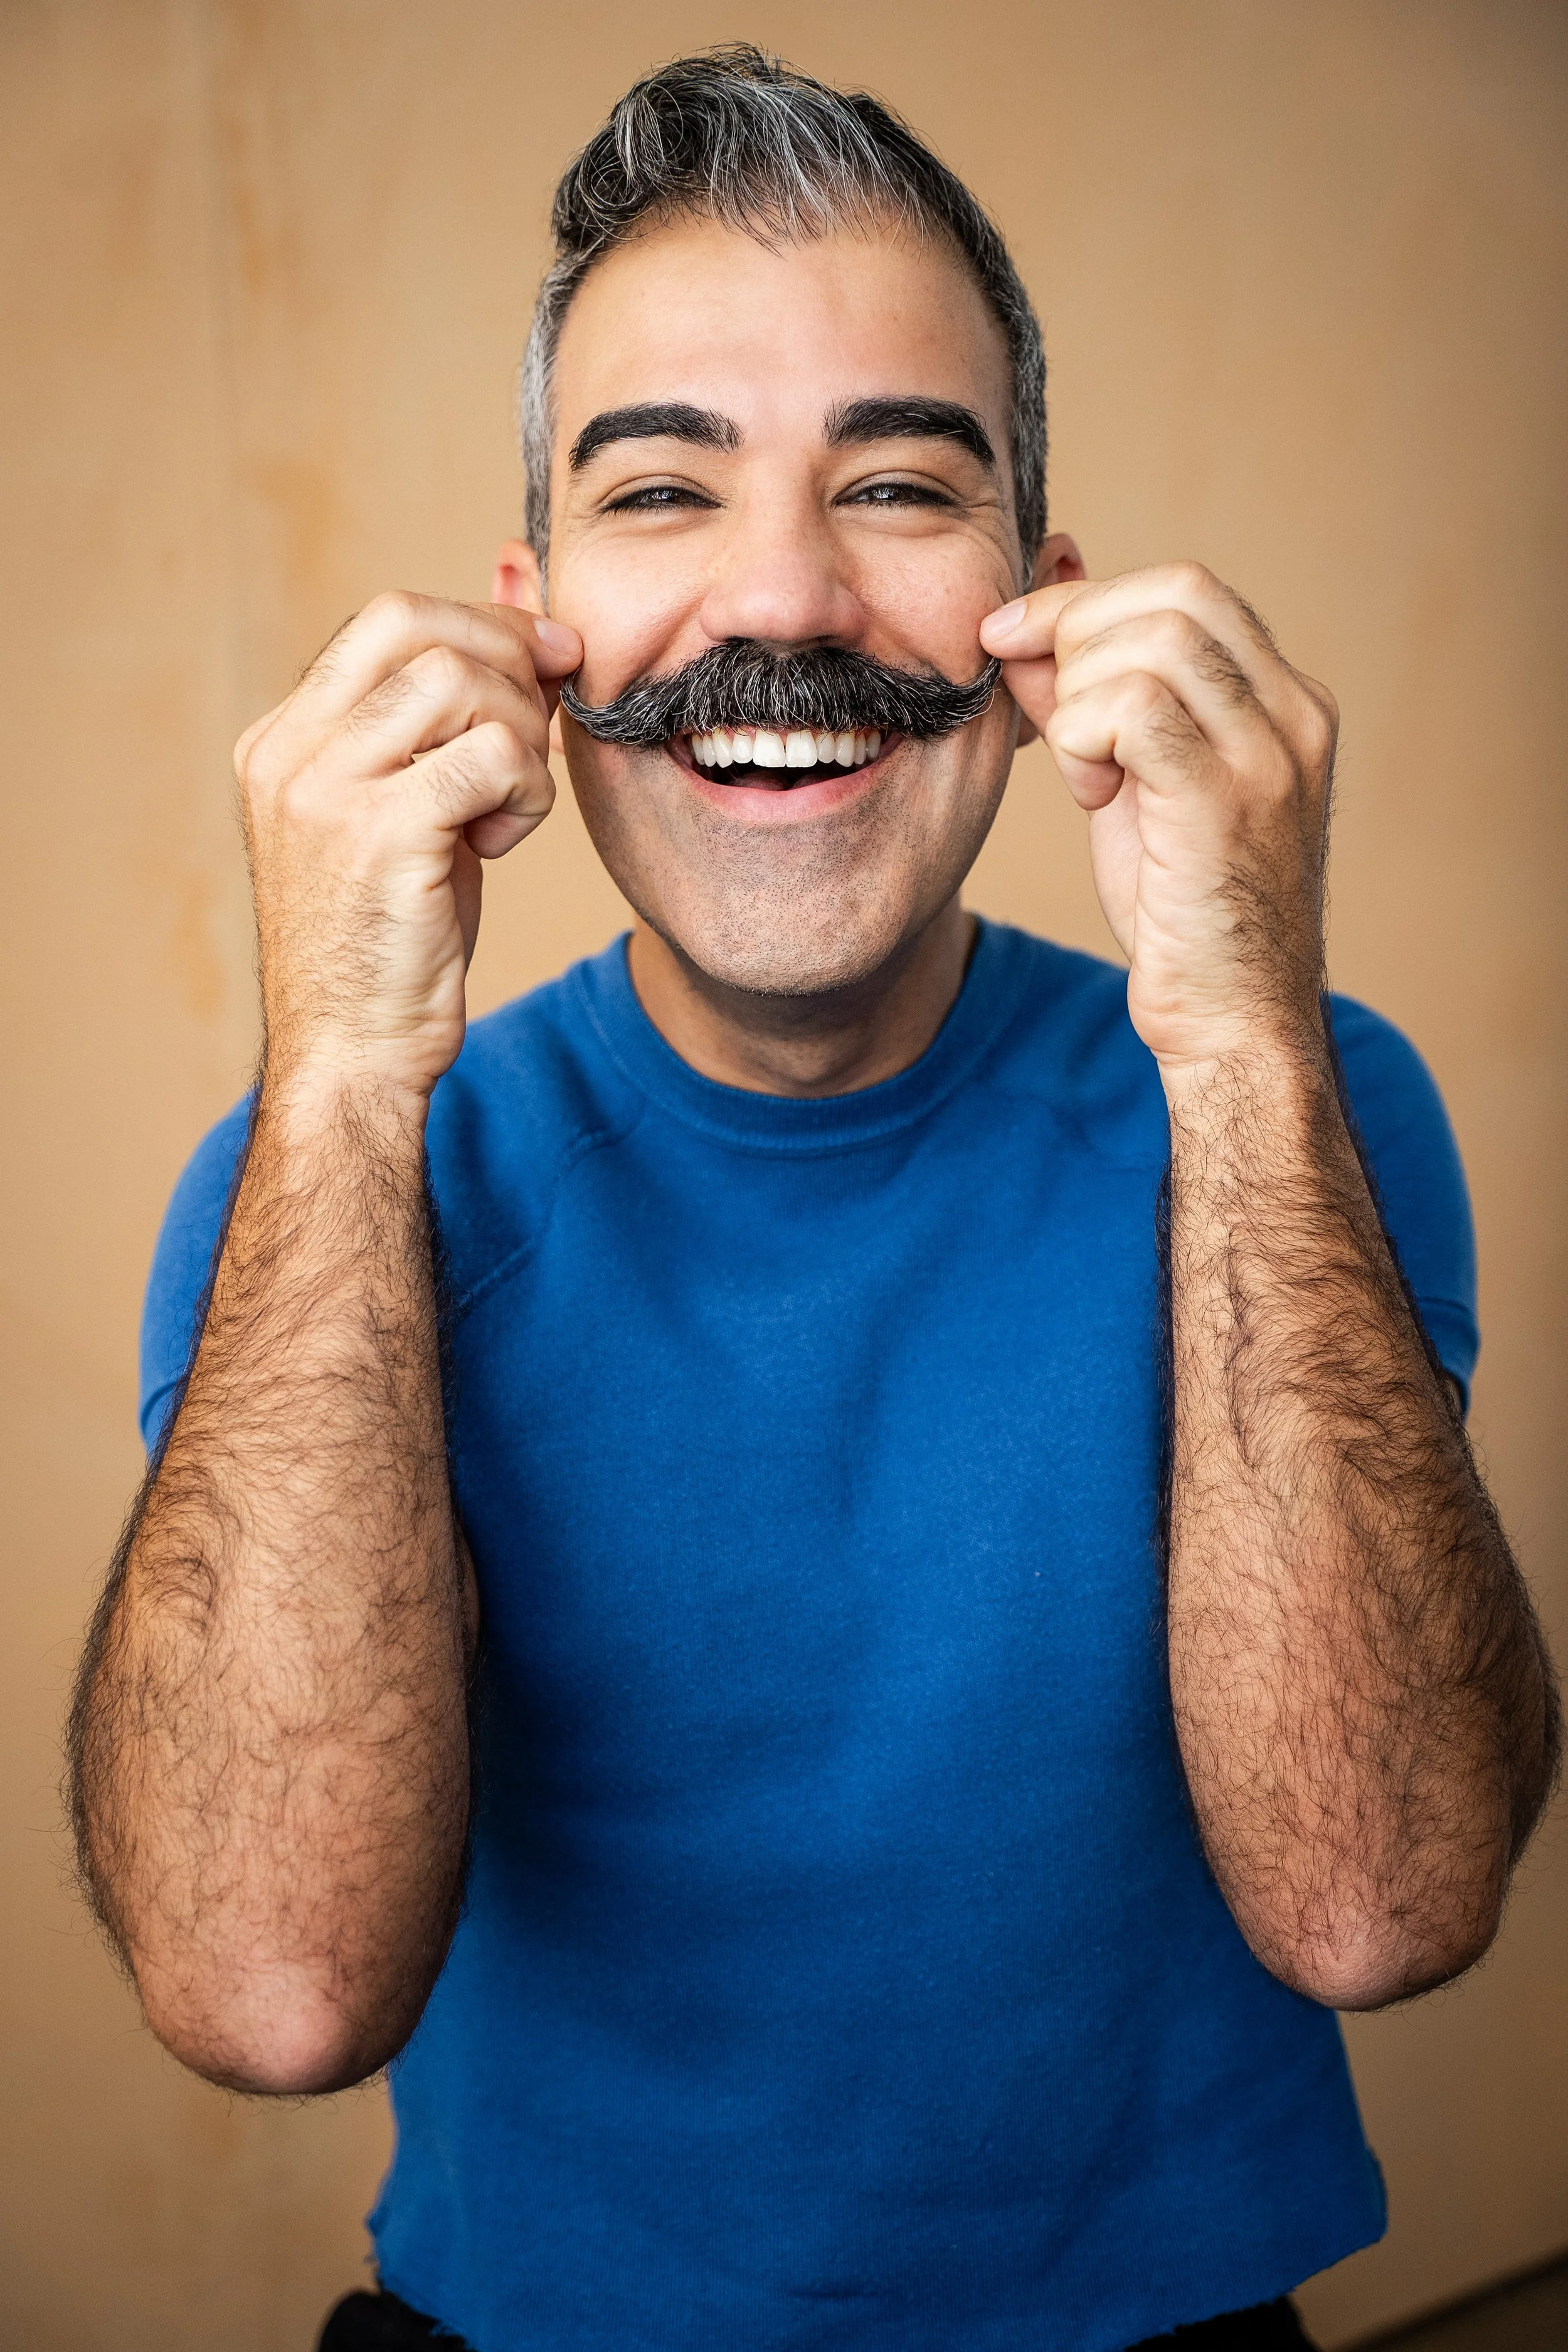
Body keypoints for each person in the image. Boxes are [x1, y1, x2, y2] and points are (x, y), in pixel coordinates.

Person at [68, 46, 1557, 2352]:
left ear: (1043, 614)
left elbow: (1382, 1902)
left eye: (896, 480)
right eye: (661, 487)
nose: (786, 587)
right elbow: (267, 1989)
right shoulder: (322, 1195)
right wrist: (345, 1072)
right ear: (532, 614)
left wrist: (1245, 1024)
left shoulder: (1303, 1107)